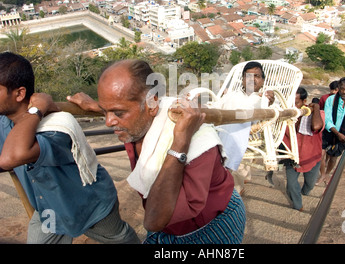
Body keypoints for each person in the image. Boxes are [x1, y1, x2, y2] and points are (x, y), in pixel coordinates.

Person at [67, 59, 246, 244]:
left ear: (152, 103)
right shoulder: (139, 119)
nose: (108, 121)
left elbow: (153, 221)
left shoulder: (200, 143)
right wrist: (94, 106)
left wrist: (180, 142)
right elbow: (120, 104)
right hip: (170, 227)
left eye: (117, 113)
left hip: (211, 228)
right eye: (105, 111)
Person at [0, 52, 140, 244]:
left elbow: (12, 157)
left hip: (90, 206)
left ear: (19, 94)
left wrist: (37, 109)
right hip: (49, 210)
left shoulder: (56, 129)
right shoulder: (5, 122)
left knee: (120, 238)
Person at [209, 61, 275, 194]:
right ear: (243, 79)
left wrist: (269, 101)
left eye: (256, 76)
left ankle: (223, 173)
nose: (252, 79)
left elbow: (272, 113)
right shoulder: (232, 95)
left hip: (249, 132)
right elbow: (215, 108)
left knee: (235, 126)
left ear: (262, 80)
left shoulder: (265, 98)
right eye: (248, 76)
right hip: (223, 130)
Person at [282, 87, 324, 211]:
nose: (293, 107)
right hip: (292, 156)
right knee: (291, 184)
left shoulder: (318, 114)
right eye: (290, 103)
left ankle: (305, 191)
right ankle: (297, 205)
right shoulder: (286, 116)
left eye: (296, 103)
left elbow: (316, 126)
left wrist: (315, 108)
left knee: (310, 184)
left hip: (312, 157)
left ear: (304, 101)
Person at [316, 80, 338, 185]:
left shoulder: (342, 101)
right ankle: (322, 174)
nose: (334, 91)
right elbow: (319, 111)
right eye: (332, 89)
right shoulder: (324, 98)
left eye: (336, 90)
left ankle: (327, 173)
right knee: (321, 154)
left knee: (332, 157)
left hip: (337, 131)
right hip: (325, 129)